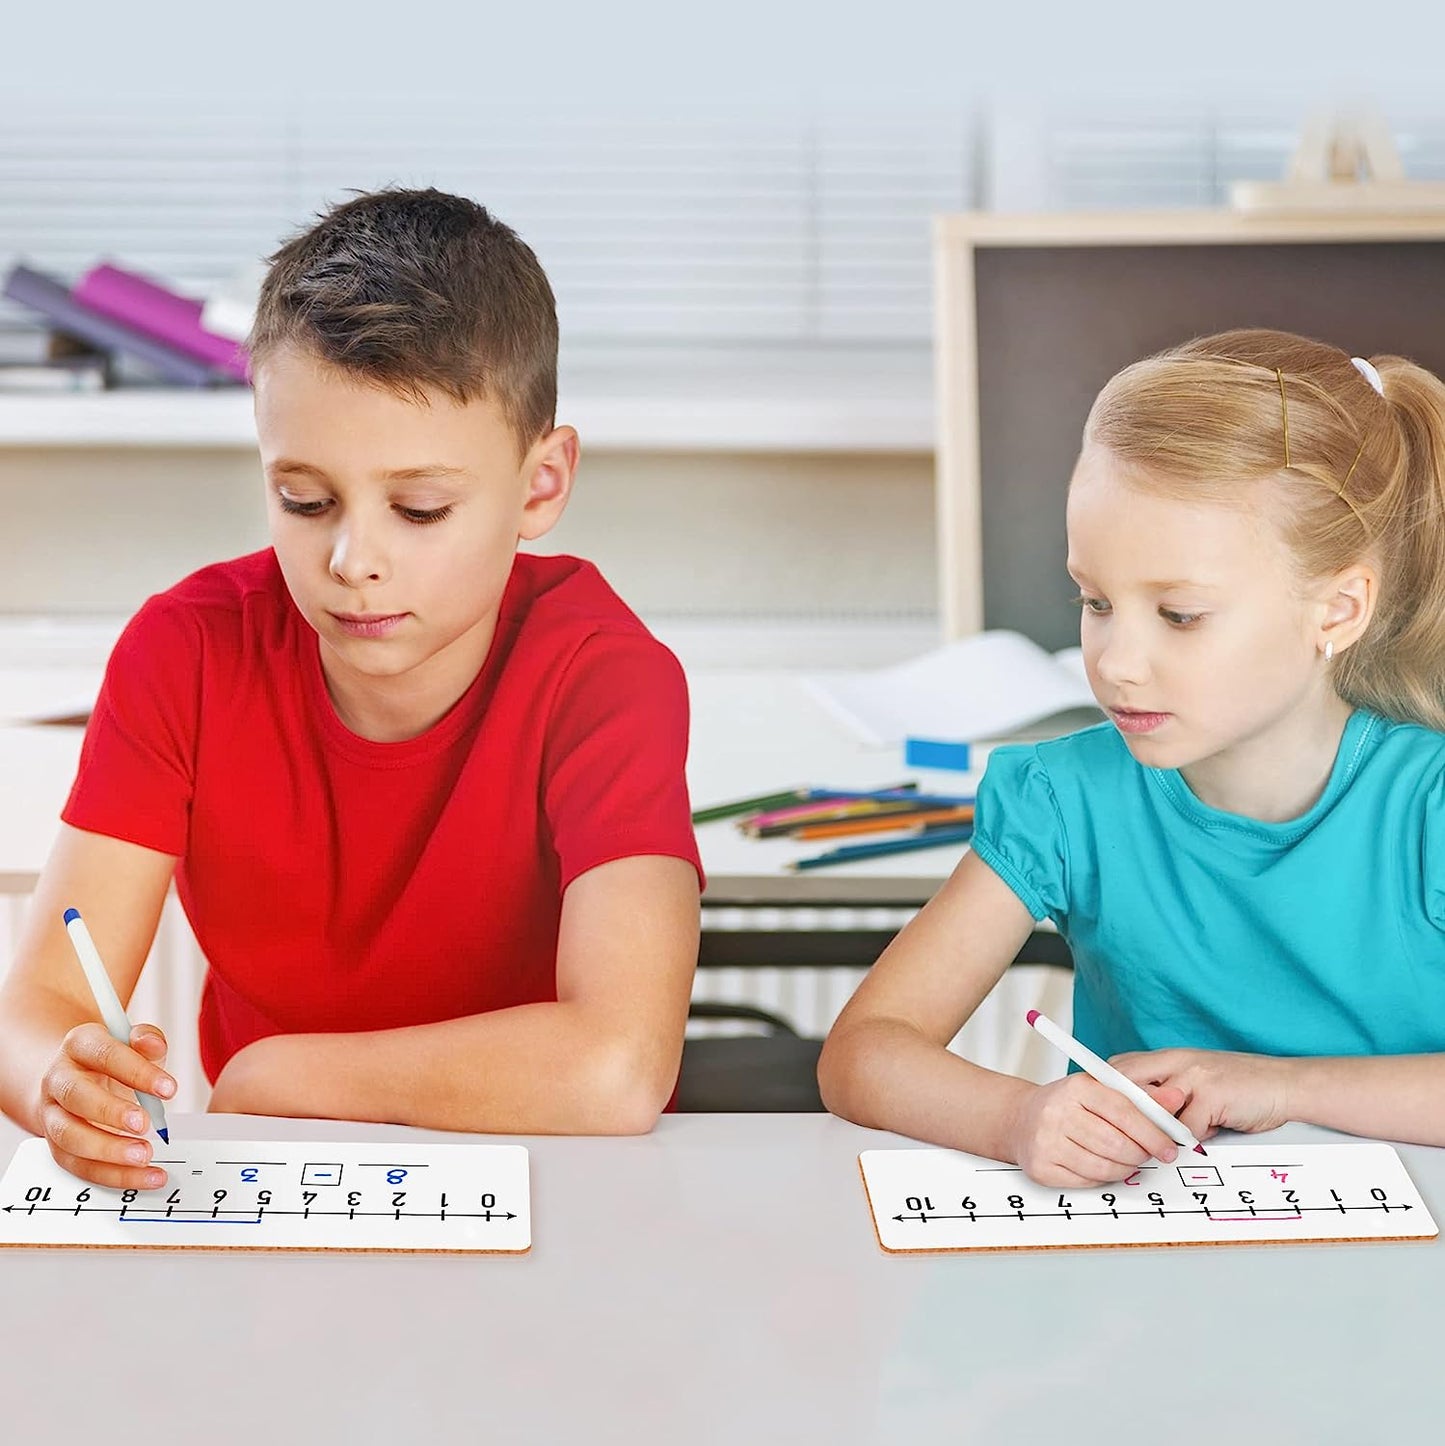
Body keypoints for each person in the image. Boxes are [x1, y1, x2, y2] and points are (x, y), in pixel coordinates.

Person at [0, 188, 703, 1190]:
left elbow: (615, 1069)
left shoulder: (605, 679)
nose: (350, 560)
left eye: (418, 509)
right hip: (281, 1183)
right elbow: (36, 1010)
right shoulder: (184, 652)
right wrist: (62, 1084)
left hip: (556, 1185)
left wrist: (282, 1075)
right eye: (305, 499)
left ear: (539, 486)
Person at [819, 327, 1445, 1186]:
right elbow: (862, 1053)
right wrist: (1016, 1117)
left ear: (1336, 610)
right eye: (1094, 600)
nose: (1115, 661)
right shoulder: (1064, 800)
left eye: (1179, 614)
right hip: (1148, 1280)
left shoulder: (1426, 807)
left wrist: (1286, 1087)